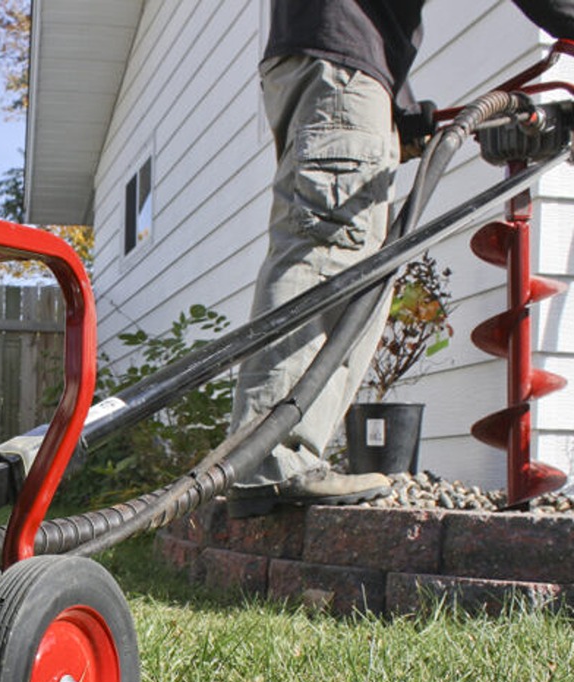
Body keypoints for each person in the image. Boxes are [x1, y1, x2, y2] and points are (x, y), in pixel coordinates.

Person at [229, 0, 574, 517]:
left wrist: (402, 109)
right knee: (328, 259)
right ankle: (270, 462)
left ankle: (268, 459)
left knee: (348, 267)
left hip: (319, 62)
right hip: (341, 70)